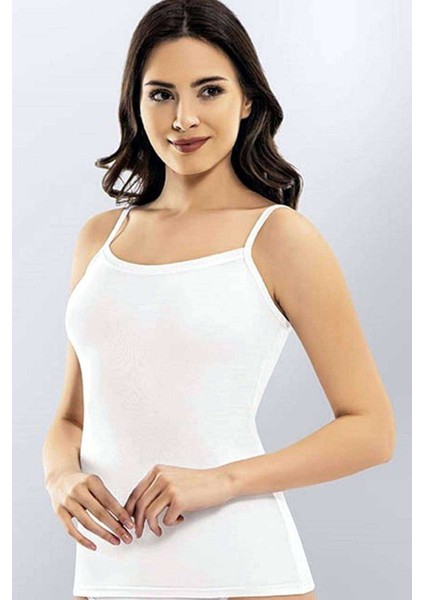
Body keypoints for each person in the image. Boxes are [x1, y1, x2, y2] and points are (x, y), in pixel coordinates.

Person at [42, 1, 397, 599]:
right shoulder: (100, 239)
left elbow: (372, 430)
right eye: (161, 94)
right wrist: (59, 478)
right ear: (135, 103)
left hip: (242, 567)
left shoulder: (279, 238)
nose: (183, 118)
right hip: (108, 570)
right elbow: (71, 417)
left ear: (248, 99)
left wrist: (223, 481)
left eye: (209, 90)